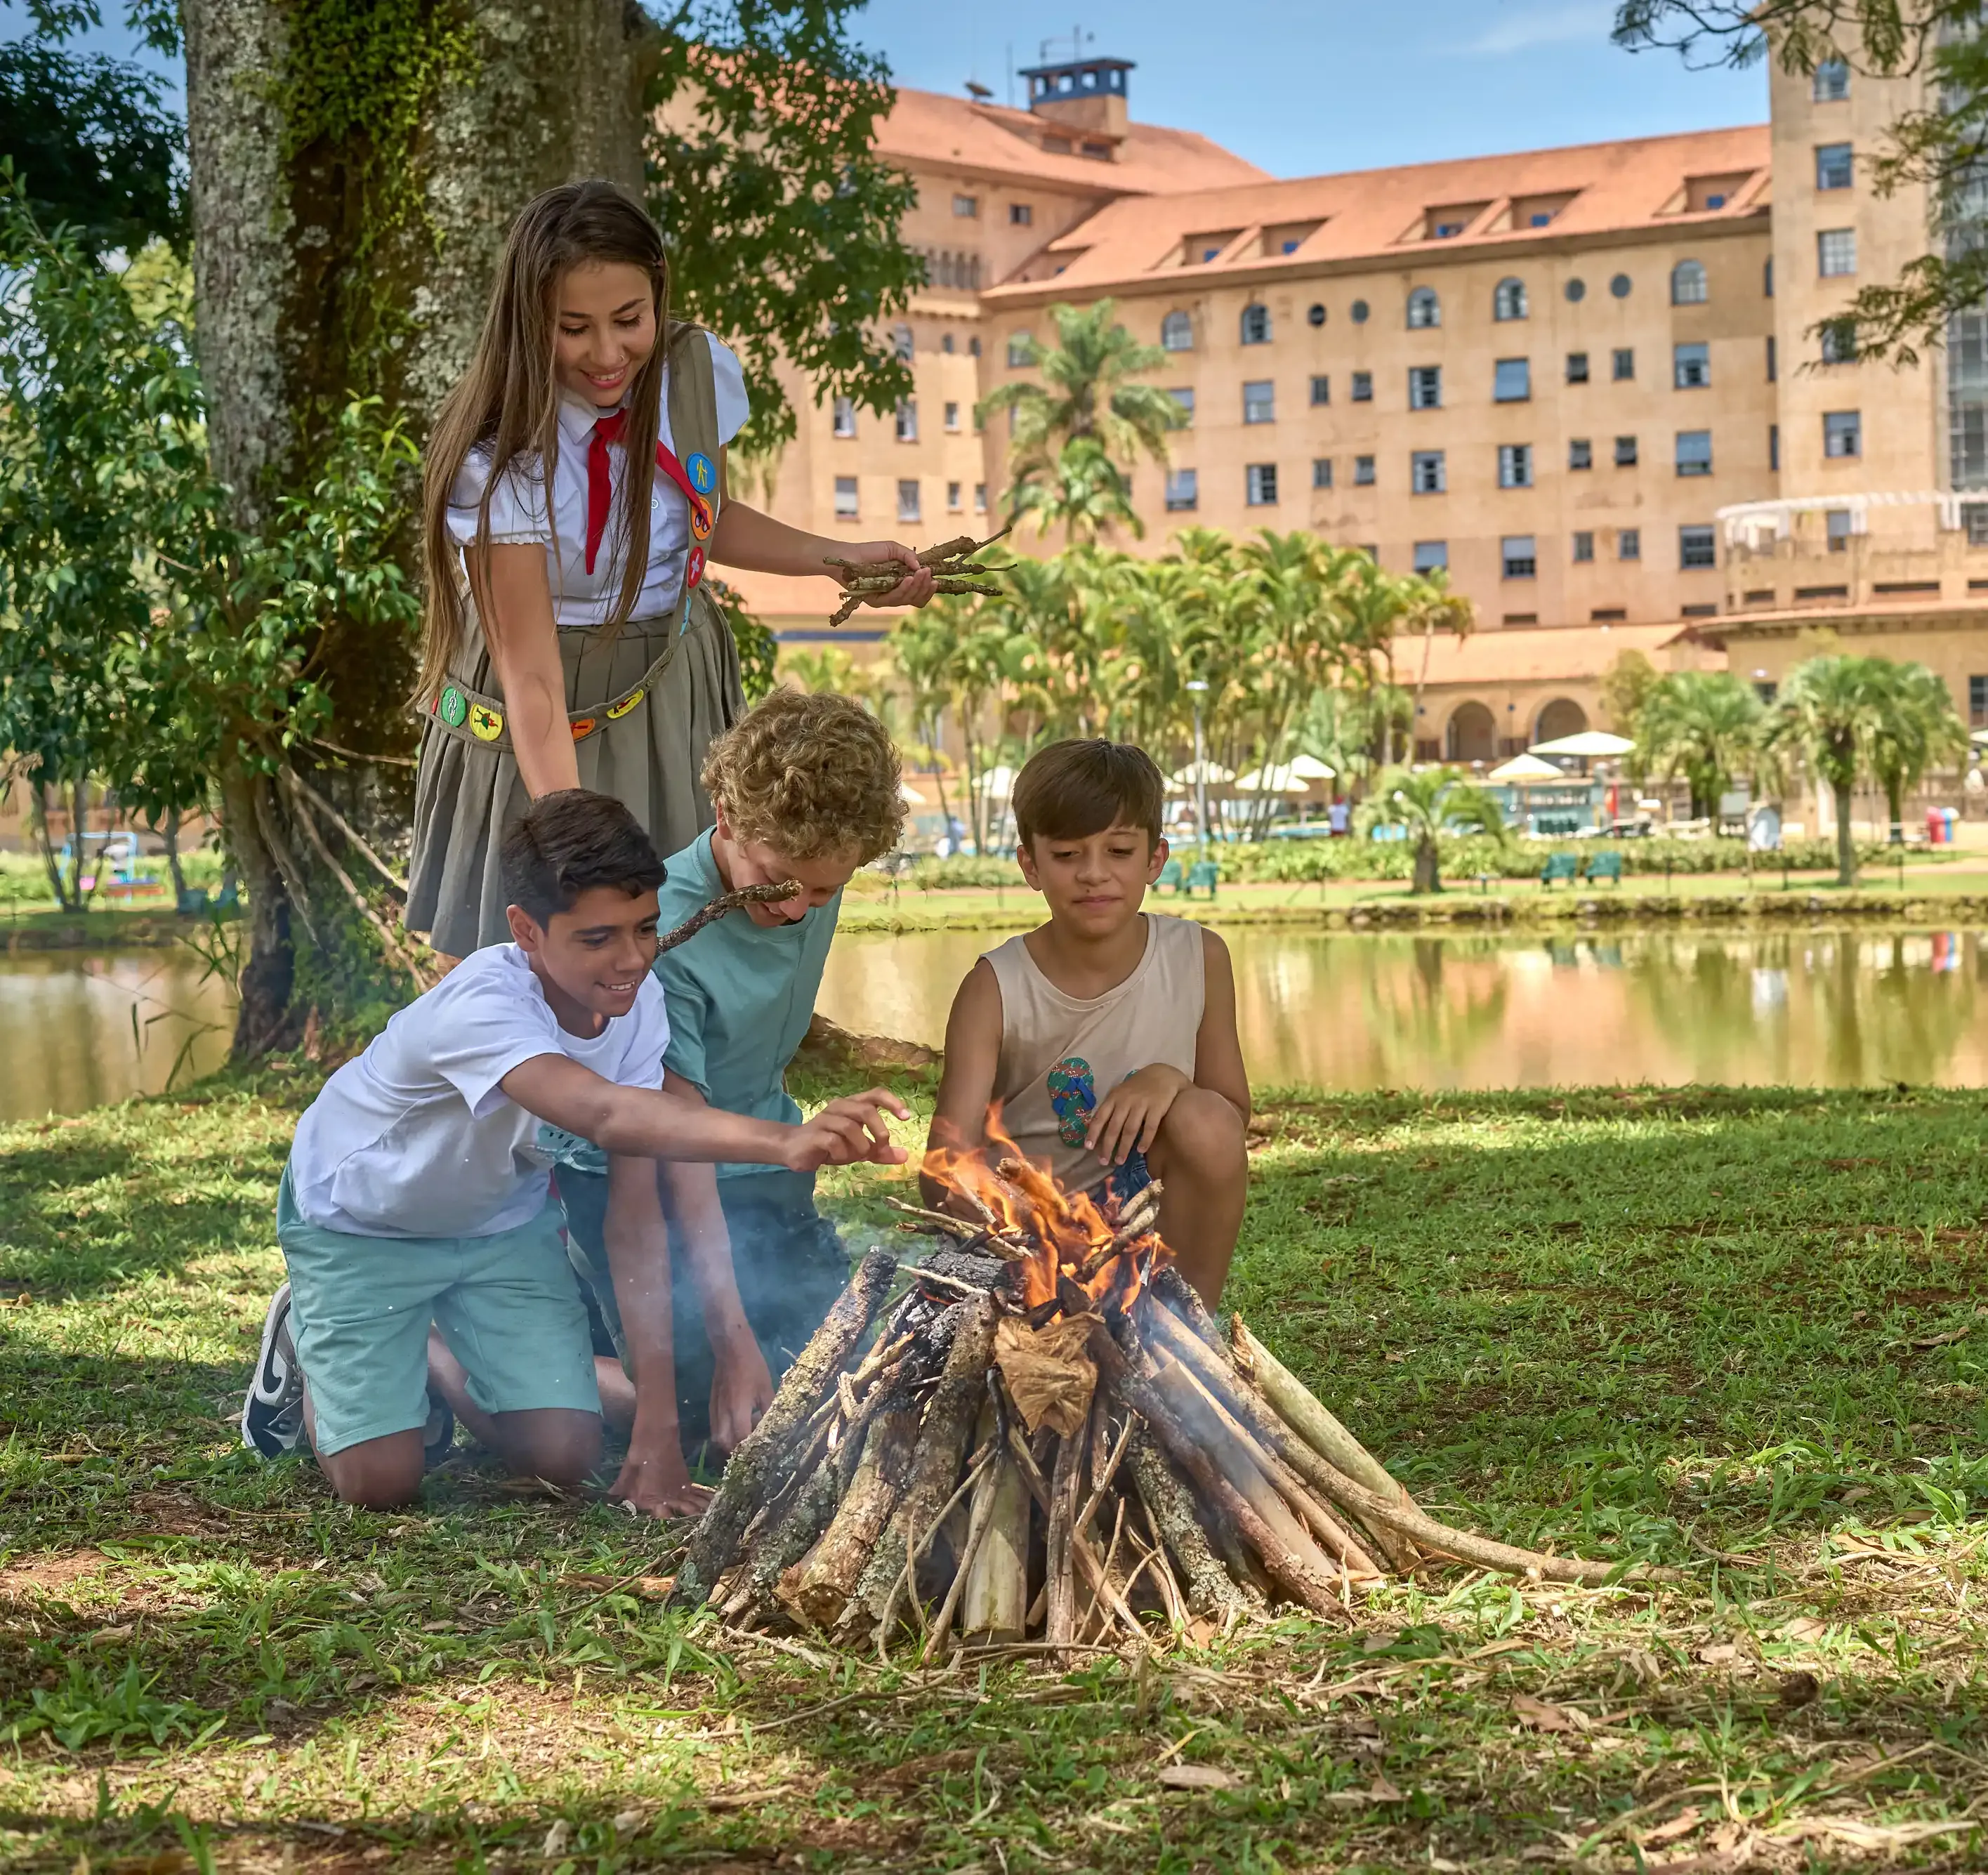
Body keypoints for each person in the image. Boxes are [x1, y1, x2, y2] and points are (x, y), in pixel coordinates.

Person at [241, 789, 907, 1514]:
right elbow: (607, 1113)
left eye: (645, 929)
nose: (629, 960)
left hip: (498, 1225)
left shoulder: (637, 1003)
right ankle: (303, 1344)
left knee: (564, 1455)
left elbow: (634, 1222)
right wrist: (788, 1141)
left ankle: (428, 1349)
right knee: (381, 1485)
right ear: (526, 930)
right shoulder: (484, 1006)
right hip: (362, 1222)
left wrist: (655, 1431)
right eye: (597, 938)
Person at [405, 179, 936, 961]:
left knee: (680, 931)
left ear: (657, 293)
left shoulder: (694, 371)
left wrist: (837, 559)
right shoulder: (496, 457)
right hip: (549, 701)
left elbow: (697, 514)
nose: (608, 353)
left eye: (629, 320)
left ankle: (688, 1076)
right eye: (574, 329)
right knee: (538, 944)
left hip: (673, 677)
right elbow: (534, 680)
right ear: (529, 321)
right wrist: (570, 832)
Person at [551, 690, 906, 1468]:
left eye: (823, 890)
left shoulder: (806, 873)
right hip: (637, 1178)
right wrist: (731, 1338)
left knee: (846, 1382)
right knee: (709, 1409)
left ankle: (577, 1316)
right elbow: (675, 1145)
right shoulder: (664, 936)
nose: (797, 909)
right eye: (779, 882)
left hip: (759, 1166)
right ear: (724, 811)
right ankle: (480, 1352)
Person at [923, 739, 1251, 1306]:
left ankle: (1189, 1331)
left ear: (1155, 859)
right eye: (1068, 856)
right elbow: (942, 1168)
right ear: (1030, 865)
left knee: (1203, 1117)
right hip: (1030, 1231)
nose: (1094, 875)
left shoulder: (1199, 957)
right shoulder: (994, 987)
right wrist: (1022, 1209)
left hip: (1141, 1214)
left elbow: (1231, 1119)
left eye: (1119, 851)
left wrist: (1169, 1079)